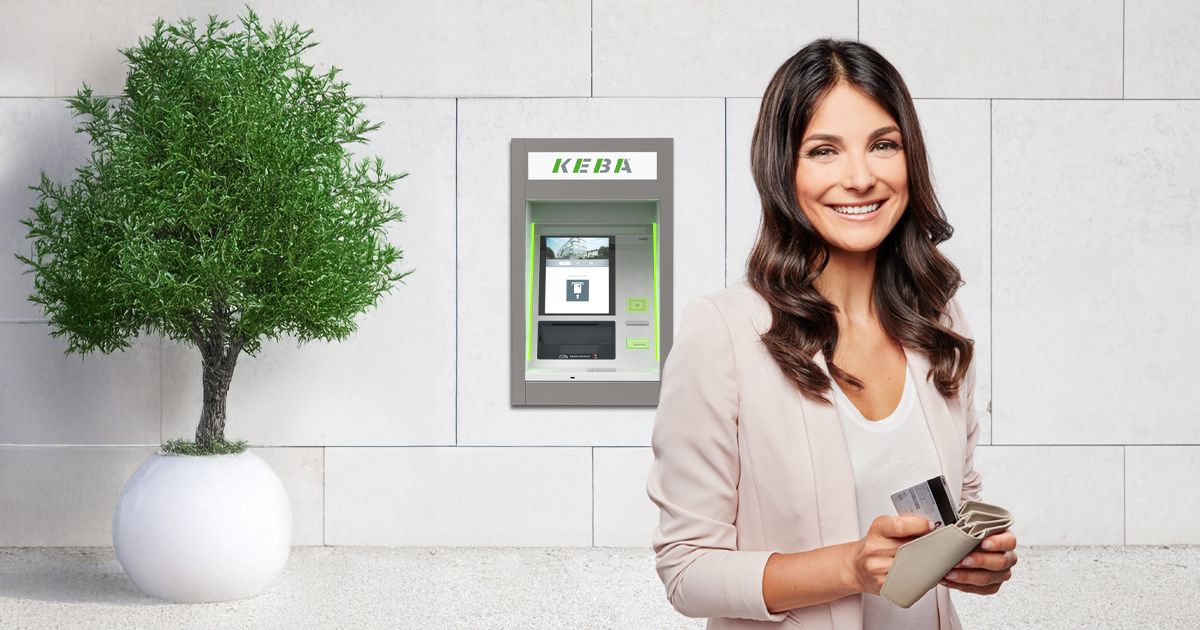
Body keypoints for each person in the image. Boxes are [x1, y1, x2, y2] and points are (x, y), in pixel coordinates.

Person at [645, 38, 1018, 630]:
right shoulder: (724, 332)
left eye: (883, 145)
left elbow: (959, 500)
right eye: (824, 150)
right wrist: (850, 567)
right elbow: (687, 570)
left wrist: (977, 562)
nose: (861, 177)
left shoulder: (940, 325)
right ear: (781, 168)